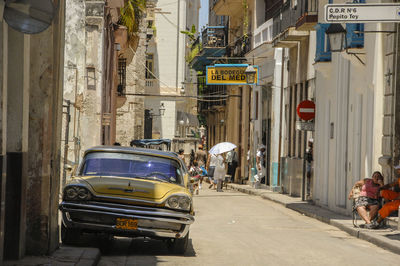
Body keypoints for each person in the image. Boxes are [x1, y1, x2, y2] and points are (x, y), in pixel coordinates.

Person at [369, 165, 400, 229]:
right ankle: (388, 210)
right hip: (397, 197)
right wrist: (382, 187)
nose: (397, 171)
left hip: (398, 199)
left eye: (398, 169)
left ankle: (377, 223)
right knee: (384, 192)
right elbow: (391, 184)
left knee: (387, 207)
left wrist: (395, 199)